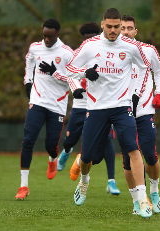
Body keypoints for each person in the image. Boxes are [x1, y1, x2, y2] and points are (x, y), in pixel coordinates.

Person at [66, 8, 152, 218]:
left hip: (122, 107)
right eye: (110, 26)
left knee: (133, 149)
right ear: (102, 24)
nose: (114, 31)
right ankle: (84, 182)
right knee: (87, 157)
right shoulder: (90, 45)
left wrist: (135, 93)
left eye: (117, 26)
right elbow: (68, 68)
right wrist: (85, 72)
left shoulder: (130, 46)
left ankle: (142, 199)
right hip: (96, 108)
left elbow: (144, 67)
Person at [57, 22, 120, 195]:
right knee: (70, 140)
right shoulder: (80, 52)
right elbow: (70, 73)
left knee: (107, 140)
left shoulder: (106, 51)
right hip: (80, 105)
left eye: (92, 37)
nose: (89, 41)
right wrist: (75, 88)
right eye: (86, 39)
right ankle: (68, 151)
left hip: (100, 105)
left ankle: (111, 181)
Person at [15, 18, 74, 200]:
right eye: (44, 36)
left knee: (51, 146)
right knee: (28, 140)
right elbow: (29, 61)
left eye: (50, 36)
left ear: (57, 33)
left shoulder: (67, 53)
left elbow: (74, 79)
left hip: (57, 105)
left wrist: (54, 72)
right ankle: (23, 186)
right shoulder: (35, 47)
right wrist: (28, 81)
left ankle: (52, 159)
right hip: (37, 101)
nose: (46, 40)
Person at [120, 15, 160, 214]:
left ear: (135, 31)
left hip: (145, 110)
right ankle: (137, 200)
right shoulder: (111, 53)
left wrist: (159, 93)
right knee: (128, 160)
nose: (126, 32)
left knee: (150, 155)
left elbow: (159, 71)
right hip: (121, 112)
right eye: (122, 28)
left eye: (130, 28)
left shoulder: (148, 50)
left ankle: (154, 192)